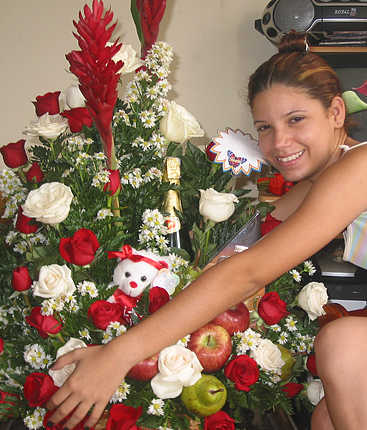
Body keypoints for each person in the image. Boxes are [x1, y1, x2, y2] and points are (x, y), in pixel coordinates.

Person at [46, 31, 367, 430]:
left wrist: (117, 355)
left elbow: (248, 272)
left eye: (296, 119)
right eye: (264, 127)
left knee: (343, 345)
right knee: (327, 415)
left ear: (336, 112)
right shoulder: (314, 187)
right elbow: (230, 258)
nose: (279, 142)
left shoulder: (360, 166)